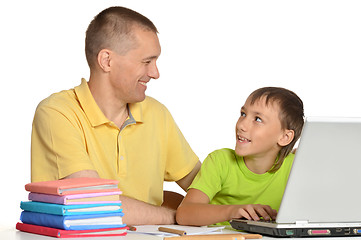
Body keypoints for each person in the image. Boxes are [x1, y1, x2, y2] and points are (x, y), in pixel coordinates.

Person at [31, 6, 201, 225]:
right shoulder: (57, 113)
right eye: (146, 62)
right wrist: (179, 217)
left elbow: (204, 187)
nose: (155, 73)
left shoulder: (157, 113)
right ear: (107, 61)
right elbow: (94, 204)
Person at [176, 87, 304, 226]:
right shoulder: (220, 161)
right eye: (243, 114)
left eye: (258, 119)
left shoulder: (296, 168)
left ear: (285, 137)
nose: (242, 125)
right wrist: (232, 211)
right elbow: (184, 214)